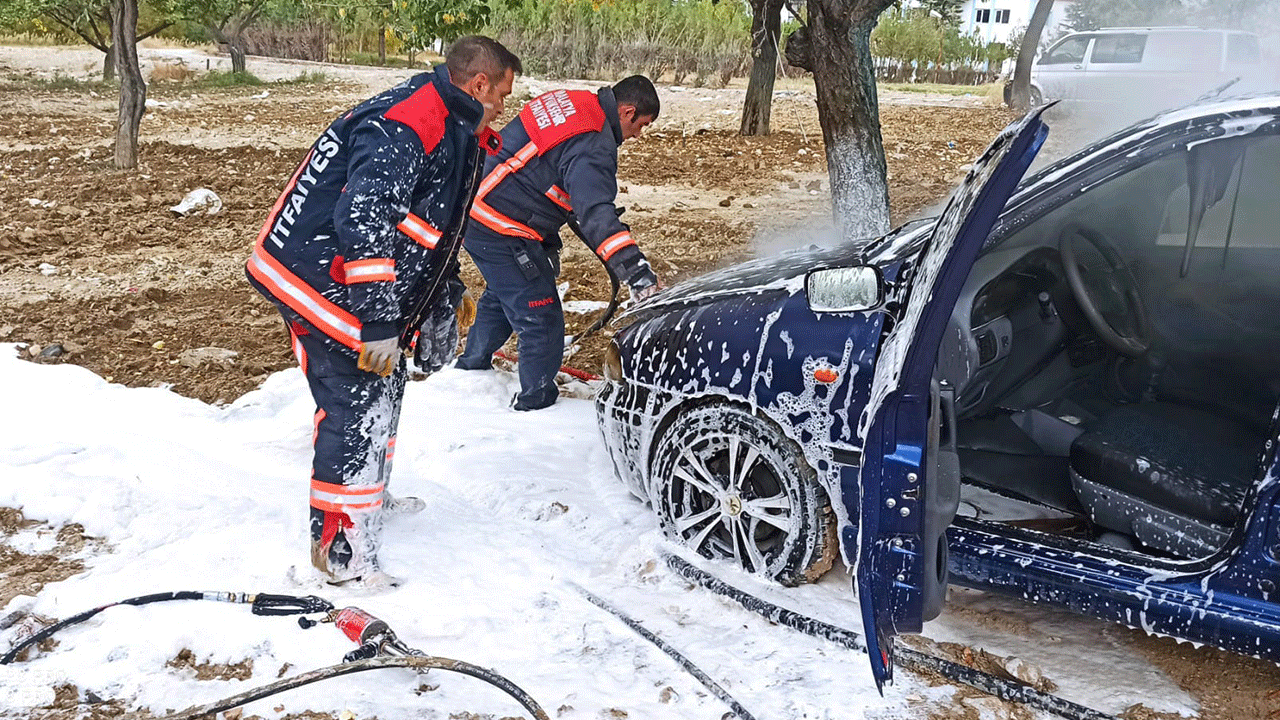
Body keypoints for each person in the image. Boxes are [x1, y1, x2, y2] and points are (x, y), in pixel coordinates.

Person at [245, 36, 520, 587]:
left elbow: (423, 222)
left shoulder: (450, 118)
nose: (505, 109)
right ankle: (340, 552)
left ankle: (370, 498)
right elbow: (364, 220)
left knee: (383, 388)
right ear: (480, 84)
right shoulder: (412, 121)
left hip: (344, 275)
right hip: (321, 279)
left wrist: (448, 286)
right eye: (504, 96)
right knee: (354, 399)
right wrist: (377, 324)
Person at [455, 76, 662, 411]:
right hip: (499, 220)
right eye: (641, 125)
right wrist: (637, 273)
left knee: (506, 291)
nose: (638, 135)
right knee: (542, 319)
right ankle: (536, 406)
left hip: (479, 200)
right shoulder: (595, 142)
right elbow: (594, 212)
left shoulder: (576, 101)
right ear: (627, 111)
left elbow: (552, 170)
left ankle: (469, 372)